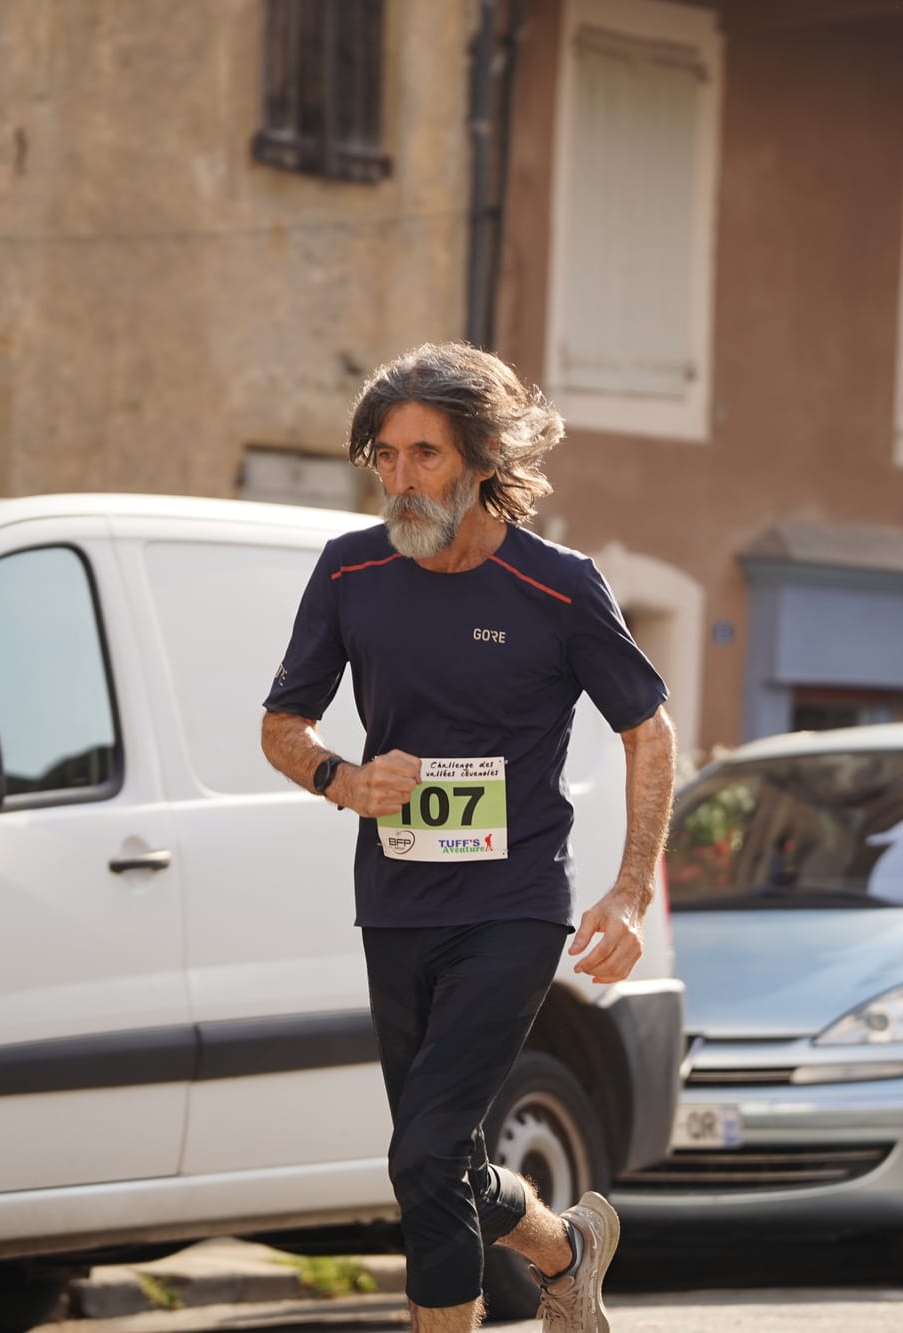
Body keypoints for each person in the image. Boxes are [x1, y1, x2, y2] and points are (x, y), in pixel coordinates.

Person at [261, 342, 676, 1331]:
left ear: (483, 458)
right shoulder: (350, 572)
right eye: (385, 457)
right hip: (396, 902)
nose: (400, 480)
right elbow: (283, 724)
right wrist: (343, 778)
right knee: (438, 1159)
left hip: (512, 904)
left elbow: (647, 731)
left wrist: (627, 891)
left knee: (420, 1156)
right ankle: (568, 1250)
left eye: (425, 456)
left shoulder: (557, 587)